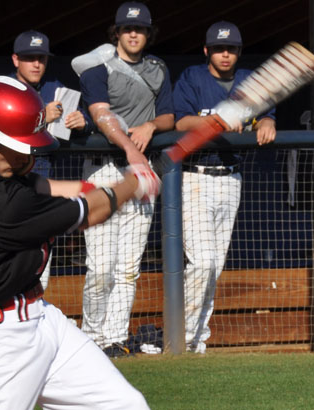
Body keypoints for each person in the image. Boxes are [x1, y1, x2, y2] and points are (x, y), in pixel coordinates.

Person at [0, 75, 157, 410]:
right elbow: (92, 213)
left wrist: (92, 187)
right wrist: (133, 183)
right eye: (16, 146)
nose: (26, 155)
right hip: (0, 337)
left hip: (43, 321)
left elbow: (37, 188)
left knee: (125, 405)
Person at [72, 1, 174, 357]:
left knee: (128, 267)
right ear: (117, 32)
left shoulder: (158, 68)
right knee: (100, 267)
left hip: (140, 174)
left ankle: (115, 338)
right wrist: (130, 148)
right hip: (104, 169)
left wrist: (150, 125)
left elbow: (169, 116)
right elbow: (100, 115)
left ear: (148, 33)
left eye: (141, 29)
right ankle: (92, 339)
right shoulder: (97, 67)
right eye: (128, 29)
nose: (134, 34)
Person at [173, 21, 276, 354]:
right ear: (207, 51)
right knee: (201, 262)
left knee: (214, 266)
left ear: (239, 51)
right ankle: (182, 338)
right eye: (219, 48)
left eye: (230, 48)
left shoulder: (249, 81)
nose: (225, 54)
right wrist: (217, 121)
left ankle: (197, 341)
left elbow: (266, 114)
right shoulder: (193, 77)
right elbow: (181, 121)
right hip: (195, 177)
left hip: (231, 177)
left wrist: (267, 121)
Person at [11, 29, 92, 288]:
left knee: (40, 261)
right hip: (7, 185)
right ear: (16, 60)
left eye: (42, 58)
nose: (36, 63)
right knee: (9, 259)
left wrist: (83, 122)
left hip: (44, 184)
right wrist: (39, 117)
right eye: (29, 57)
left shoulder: (55, 88)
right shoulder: (3, 88)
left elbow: (78, 118)